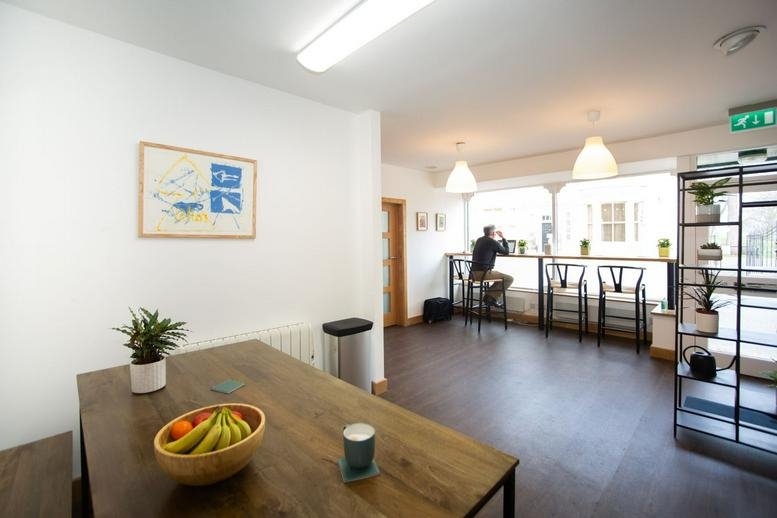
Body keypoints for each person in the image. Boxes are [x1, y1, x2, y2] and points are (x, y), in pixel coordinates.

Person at [471, 225, 514, 306]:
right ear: (494, 233)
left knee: (499, 275)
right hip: (482, 274)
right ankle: (490, 297)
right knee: (509, 278)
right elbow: (506, 251)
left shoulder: (479, 240)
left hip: (473, 273)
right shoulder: (493, 242)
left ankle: (489, 297)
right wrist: (503, 238)